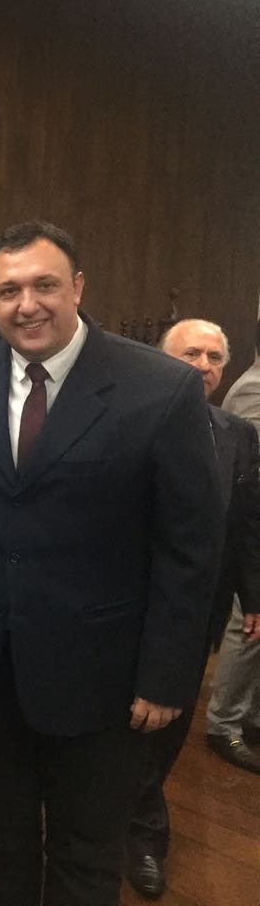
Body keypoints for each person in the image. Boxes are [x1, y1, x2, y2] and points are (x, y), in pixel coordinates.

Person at [0, 221, 223, 905]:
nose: (27, 304)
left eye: (45, 285)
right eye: (9, 291)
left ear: (79, 287)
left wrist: (167, 677)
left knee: (86, 855)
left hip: (105, 683)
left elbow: (191, 546)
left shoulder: (162, 388)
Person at [124, 319, 260, 896]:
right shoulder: (129, 422)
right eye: (190, 354)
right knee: (125, 725)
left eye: (213, 357)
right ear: (161, 361)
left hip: (201, 610)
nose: (203, 365)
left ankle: (140, 825)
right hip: (128, 606)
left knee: (168, 728)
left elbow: (247, 521)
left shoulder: (238, 433)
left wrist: (253, 596)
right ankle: (137, 829)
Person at [203, 316, 260, 778]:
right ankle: (224, 723)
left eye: (213, 356)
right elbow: (245, 478)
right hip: (243, 528)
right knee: (247, 626)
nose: (204, 365)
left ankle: (250, 715)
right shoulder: (253, 389)